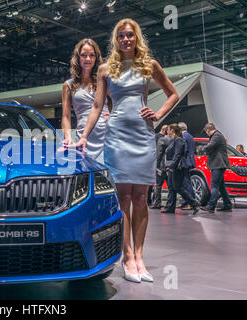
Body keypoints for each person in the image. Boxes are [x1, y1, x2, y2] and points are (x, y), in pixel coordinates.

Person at [75, 18, 179, 283]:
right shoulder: (106, 69)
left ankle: (141, 256)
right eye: (121, 36)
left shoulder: (149, 65)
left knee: (142, 198)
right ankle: (127, 255)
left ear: (136, 37)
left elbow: (172, 94)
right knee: (123, 197)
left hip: (143, 135)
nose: (125, 40)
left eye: (130, 35)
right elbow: (98, 106)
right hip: (117, 135)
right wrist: (84, 136)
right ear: (116, 39)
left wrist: (158, 114)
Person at [62, 38, 111, 163]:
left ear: (96, 58)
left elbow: (119, 100)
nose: (88, 59)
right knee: (85, 175)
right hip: (83, 135)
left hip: (106, 134)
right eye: (84, 55)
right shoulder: (68, 85)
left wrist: (113, 115)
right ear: (78, 58)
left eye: (91, 55)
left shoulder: (104, 81)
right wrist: (68, 137)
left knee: (109, 175)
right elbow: (66, 116)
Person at [161, 124, 199, 214]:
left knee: (178, 187)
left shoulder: (179, 140)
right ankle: (170, 208)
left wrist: (171, 167)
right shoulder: (175, 140)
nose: (167, 131)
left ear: (172, 131)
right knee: (171, 188)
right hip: (172, 167)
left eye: (168, 129)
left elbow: (177, 155)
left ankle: (194, 203)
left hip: (177, 168)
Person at [200, 123, 232, 213]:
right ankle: (227, 204)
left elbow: (210, 146)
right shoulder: (217, 135)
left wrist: (202, 148)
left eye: (206, 132)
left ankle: (211, 206)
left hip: (218, 164)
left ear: (208, 130)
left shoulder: (216, 135)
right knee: (221, 186)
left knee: (214, 185)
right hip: (219, 164)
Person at [150, 124, 172, 209]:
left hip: (161, 166)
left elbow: (159, 154)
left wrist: (155, 166)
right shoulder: (174, 140)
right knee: (170, 186)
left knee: (158, 185)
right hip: (170, 166)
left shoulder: (162, 140)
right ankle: (169, 204)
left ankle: (157, 203)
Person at [178, 122, 197, 210]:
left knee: (186, 183)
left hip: (185, 162)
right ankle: (188, 202)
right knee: (186, 182)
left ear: (180, 129)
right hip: (189, 161)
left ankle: (189, 203)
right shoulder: (190, 136)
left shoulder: (184, 136)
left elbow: (184, 149)